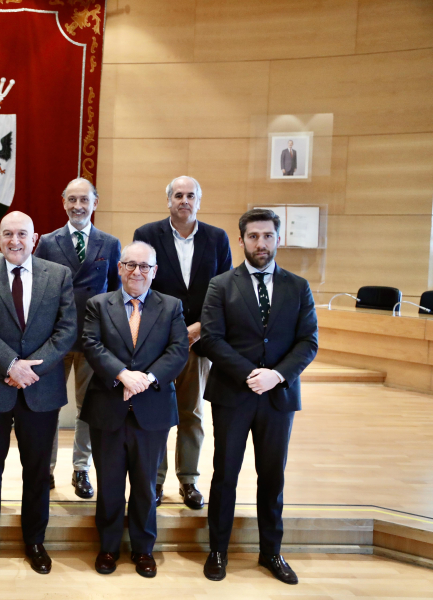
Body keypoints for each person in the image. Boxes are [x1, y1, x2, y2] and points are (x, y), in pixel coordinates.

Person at [199, 209, 317, 585]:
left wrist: (277, 375)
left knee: (272, 477)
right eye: (253, 236)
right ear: (242, 240)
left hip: (278, 397)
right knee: (225, 474)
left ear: (277, 239)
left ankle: (271, 552)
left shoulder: (298, 287)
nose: (261, 243)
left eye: (267, 236)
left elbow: (308, 342)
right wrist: (250, 374)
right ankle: (217, 550)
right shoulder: (221, 285)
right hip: (233, 394)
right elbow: (212, 339)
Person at [0, 211, 77, 575]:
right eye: (8, 234)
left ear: (36, 237)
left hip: (40, 391)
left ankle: (35, 542)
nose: (15, 241)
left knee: (38, 472)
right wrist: (10, 364)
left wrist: (31, 369)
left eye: (22, 234)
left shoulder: (58, 275)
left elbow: (66, 330)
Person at [81, 241, 188, 577]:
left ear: (154, 271)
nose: (136, 272)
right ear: (119, 268)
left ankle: (143, 550)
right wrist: (123, 374)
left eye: (144, 266)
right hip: (107, 408)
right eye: (130, 264)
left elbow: (178, 350)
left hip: (151, 410)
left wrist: (147, 379)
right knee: (109, 483)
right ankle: (109, 548)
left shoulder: (171, 306)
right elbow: (91, 345)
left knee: (145, 484)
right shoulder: (99, 304)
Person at [133, 176, 232, 510]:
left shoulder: (217, 238)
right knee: (157, 413)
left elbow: (226, 291)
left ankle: (188, 479)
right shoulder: (147, 235)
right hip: (157, 342)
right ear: (168, 201)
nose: (184, 200)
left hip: (199, 342)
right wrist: (171, 330)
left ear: (199, 201)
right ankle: (155, 481)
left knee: (191, 412)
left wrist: (198, 328)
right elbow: (140, 285)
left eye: (191, 195)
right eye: (178, 195)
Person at [35, 178, 120, 499]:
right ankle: (47, 467)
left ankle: (81, 468)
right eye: (72, 199)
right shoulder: (47, 243)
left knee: (88, 408)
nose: (78, 206)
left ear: (95, 203)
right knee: (49, 406)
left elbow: (114, 295)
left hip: (93, 341)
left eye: (84, 200)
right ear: (63, 203)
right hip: (55, 340)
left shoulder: (110, 244)